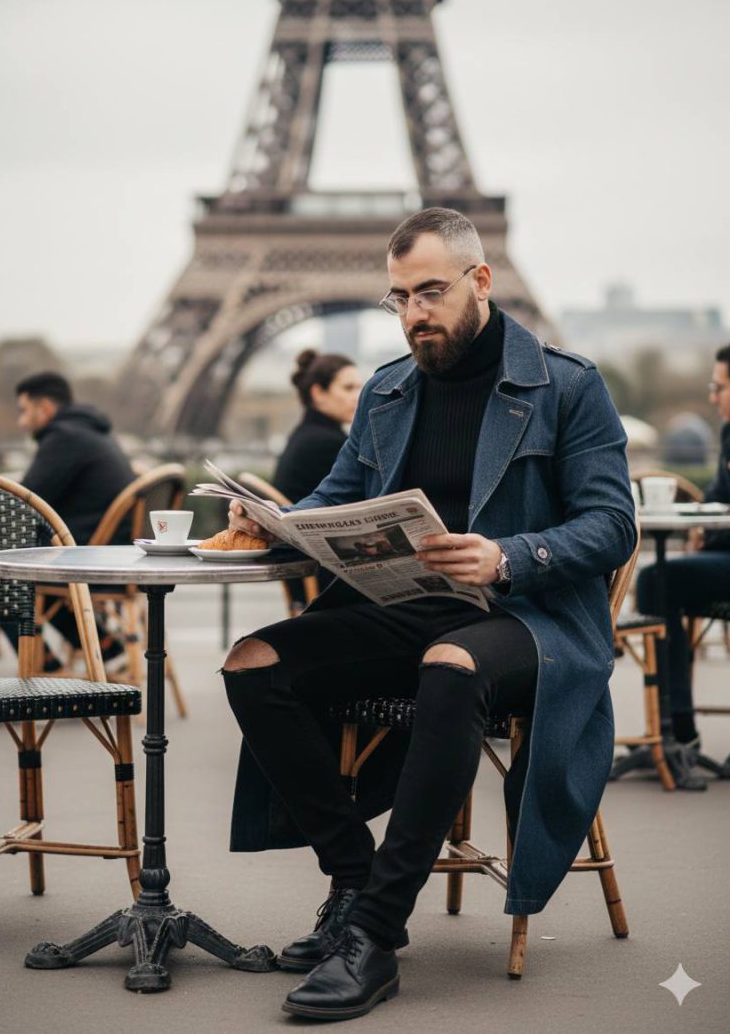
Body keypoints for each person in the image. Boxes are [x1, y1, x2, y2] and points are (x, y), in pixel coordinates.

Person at [223, 208, 636, 1021]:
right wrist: (274, 525)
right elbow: (336, 499)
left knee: (450, 665)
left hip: (532, 620)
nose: (414, 312)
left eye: (431, 292)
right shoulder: (386, 389)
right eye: (400, 297)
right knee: (254, 661)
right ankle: (350, 876)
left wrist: (509, 555)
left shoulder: (569, 384)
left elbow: (612, 524)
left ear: (480, 281)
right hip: (413, 608)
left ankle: (375, 933)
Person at [636, 345, 730, 748]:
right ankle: (676, 726)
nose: (712, 396)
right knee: (658, 580)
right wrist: (705, 532)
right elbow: (716, 496)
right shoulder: (727, 433)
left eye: (719, 386)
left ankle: (677, 728)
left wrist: (707, 533)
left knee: (658, 581)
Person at [15, 372, 135, 665]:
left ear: (44, 408)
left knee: (1, 577)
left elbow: (23, 498)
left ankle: (43, 672)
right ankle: (101, 645)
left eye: (24, 410)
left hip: (92, 557)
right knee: (20, 565)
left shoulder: (63, 438)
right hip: (117, 549)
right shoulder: (93, 431)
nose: (21, 421)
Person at [273, 350, 362, 608]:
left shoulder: (306, 436)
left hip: (305, 571)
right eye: (348, 387)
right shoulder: (326, 444)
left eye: (360, 387)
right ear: (318, 393)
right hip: (320, 574)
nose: (359, 395)